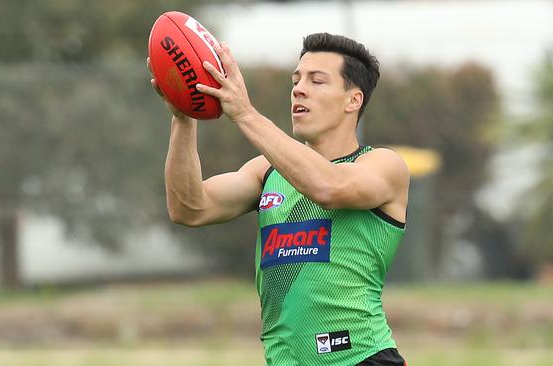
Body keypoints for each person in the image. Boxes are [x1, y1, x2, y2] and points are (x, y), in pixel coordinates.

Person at [148, 32, 409, 366]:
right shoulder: (267, 172)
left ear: (353, 100)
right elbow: (188, 207)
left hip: (362, 358)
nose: (299, 89)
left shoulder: (383, 165)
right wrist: (183, 116)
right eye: (296, 80)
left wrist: (244, 113)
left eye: (317, 81)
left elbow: (327, 187)